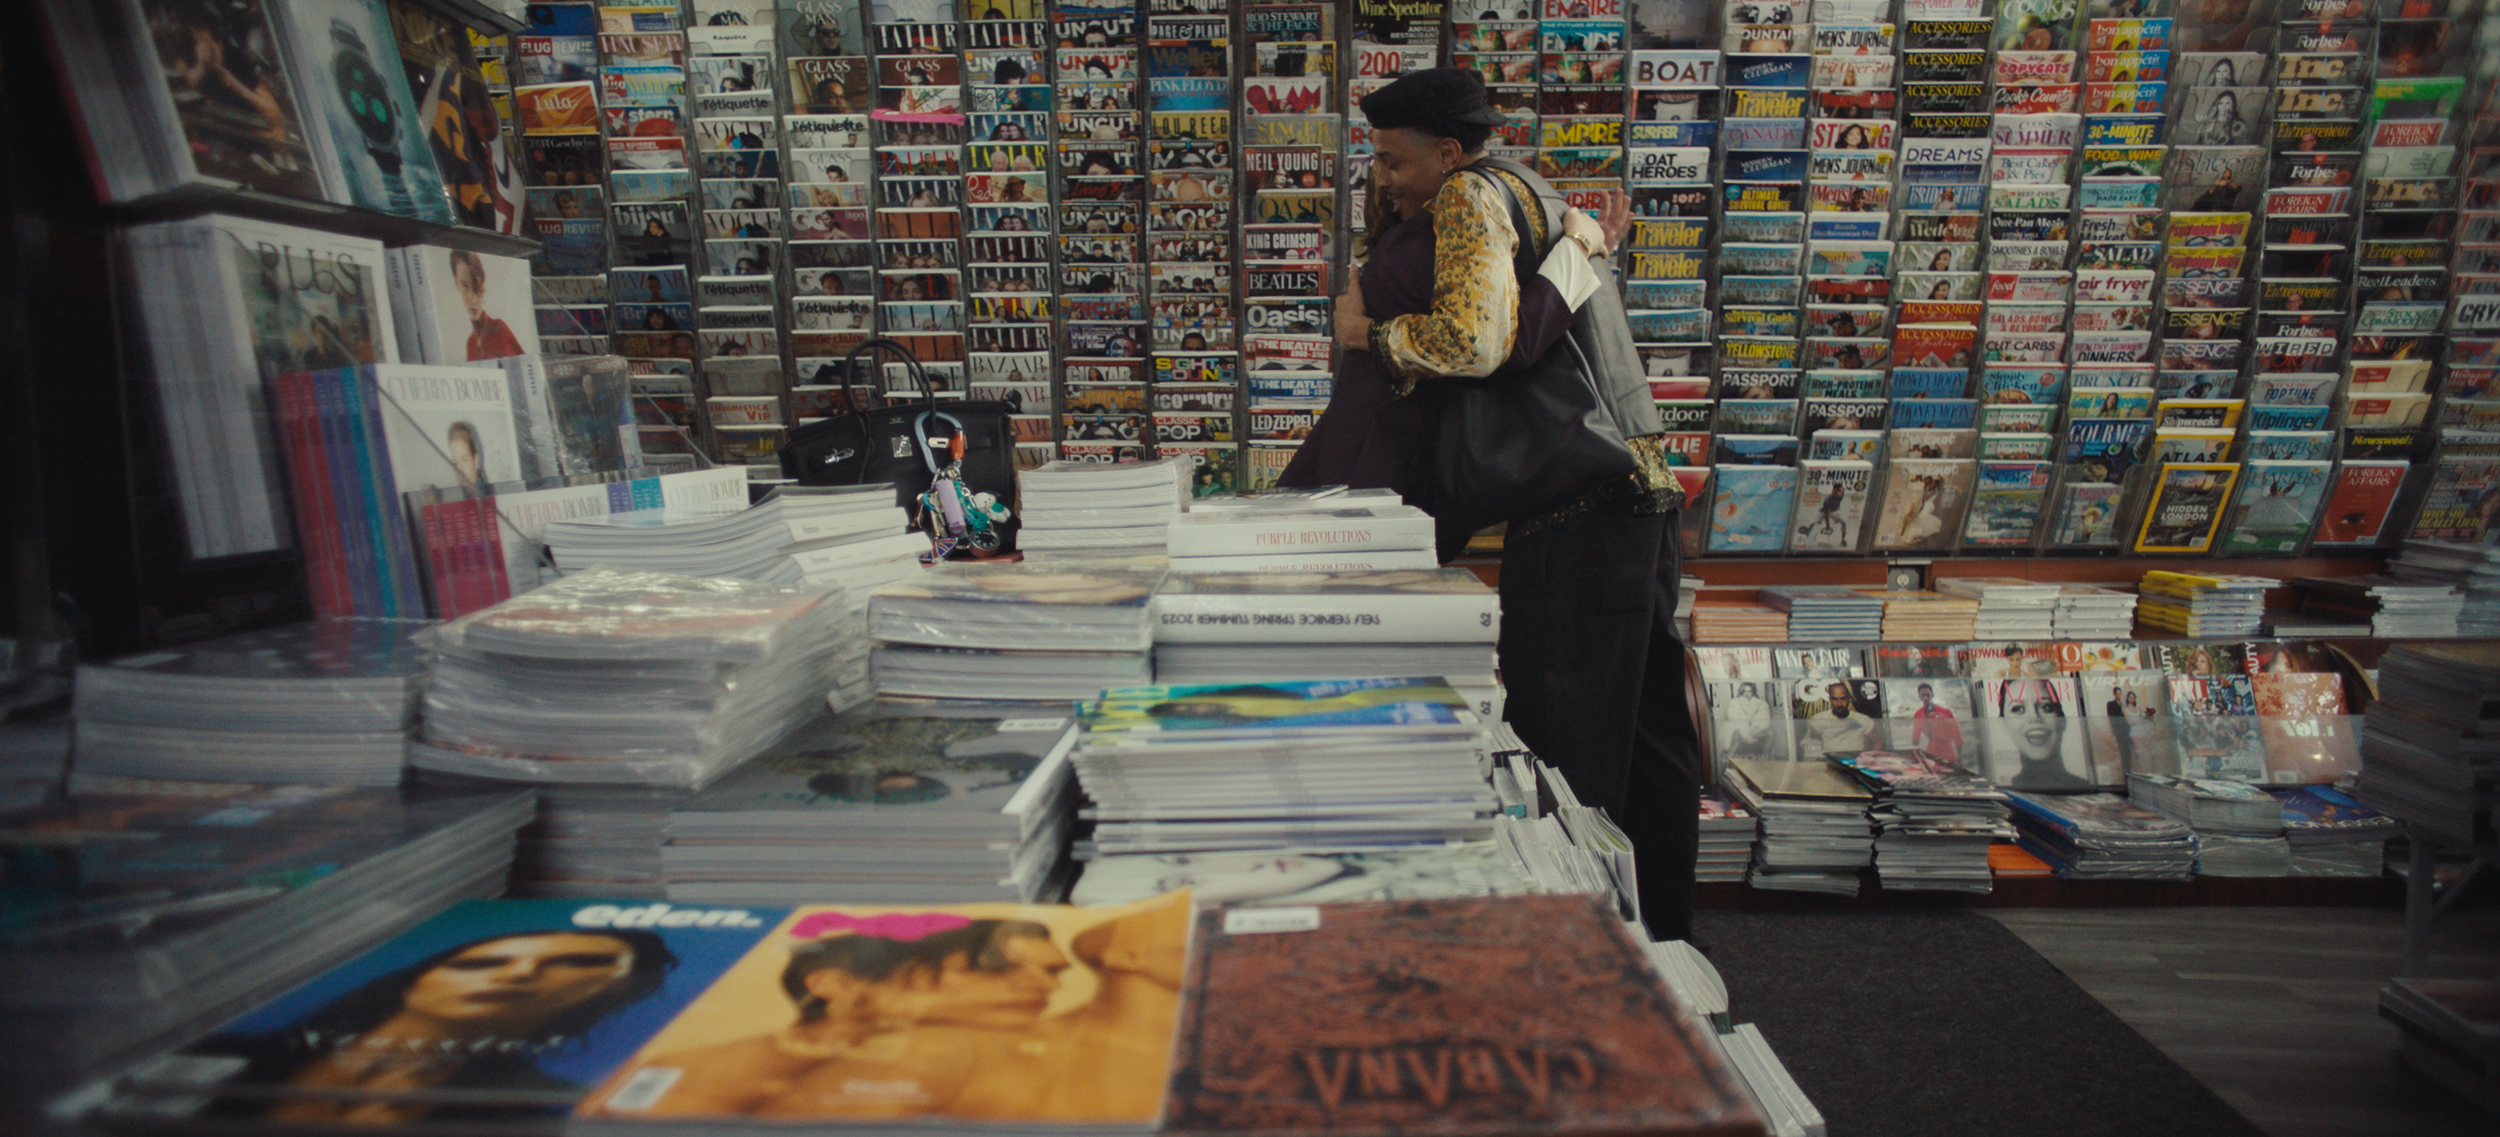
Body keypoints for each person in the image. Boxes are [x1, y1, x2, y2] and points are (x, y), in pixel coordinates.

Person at [199, 930, 677, 1122]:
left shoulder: (544, 1110)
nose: (518, 974)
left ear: (610, 992)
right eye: (479, 963)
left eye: (573, 963)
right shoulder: (210, 1053)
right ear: (417, 980)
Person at [638, 918, 1068, 1117]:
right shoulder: (678, 1080)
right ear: (837, 985)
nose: (1047, 989)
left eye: (1051, 971)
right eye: (996, 968)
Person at [1991, 679, 2090, 789]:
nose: (2034, 717)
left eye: (2046, 707)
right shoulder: (2001, 788)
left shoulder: (2086, 786)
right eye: (2018, 709)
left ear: (2063, 720)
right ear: (2003, 723)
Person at [448, 250, 524, 360]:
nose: (472, 298)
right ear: (456, 283)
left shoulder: (499, 329)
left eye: (476, 287)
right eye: (465, 286)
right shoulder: (471, 343)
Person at [1908, 681, 1964, 766]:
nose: (1925, 698)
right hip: (1931, 751)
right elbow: (1916, 737)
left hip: (1947, 751)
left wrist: (1959, 757)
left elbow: (1957, 736)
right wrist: (1912, 755)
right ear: (1919, 697)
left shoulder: (1945, 712)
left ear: (1932, 695)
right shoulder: (1918, 714)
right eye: (1923, 695)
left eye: (1927, 695)